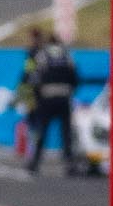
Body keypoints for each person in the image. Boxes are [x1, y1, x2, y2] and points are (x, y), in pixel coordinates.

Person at [23, 34, 81, 170]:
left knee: (42, 131)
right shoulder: (67, 56)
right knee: (66, 133)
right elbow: (75, 78)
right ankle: (70, 163)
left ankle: (35, 162)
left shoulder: (42, 55)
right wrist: (69, 91)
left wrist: (37, 97)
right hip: (64, 97)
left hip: (46, 98)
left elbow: (35, 78)